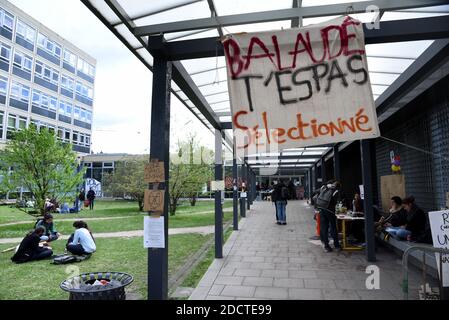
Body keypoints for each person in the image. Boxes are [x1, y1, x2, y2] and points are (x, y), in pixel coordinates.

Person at [316, 180, 342, 252]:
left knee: (324, 227)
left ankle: (326, 246)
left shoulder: (324, 187)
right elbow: (334, 202)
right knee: (333, 227)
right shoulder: (335, 190)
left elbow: (316, 193)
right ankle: (336, 245)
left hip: (321, 208)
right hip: (330, 210)